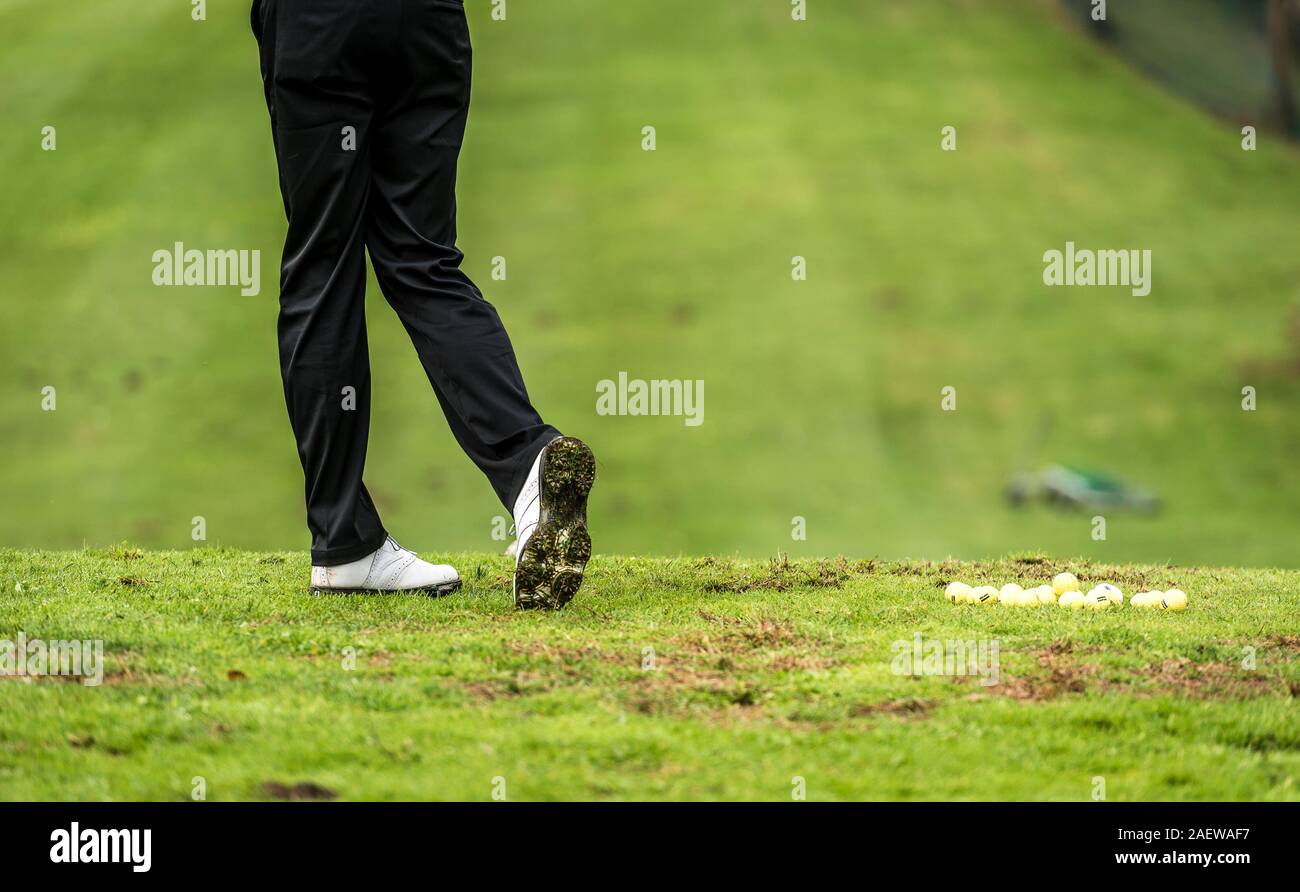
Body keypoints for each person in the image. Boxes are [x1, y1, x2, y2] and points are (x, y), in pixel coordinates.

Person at [250, 0, 593, 609]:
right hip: (424, 23)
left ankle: (345, 545)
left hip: (317, 24)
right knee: (423, 261)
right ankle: (528, 467)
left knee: (323, 268)